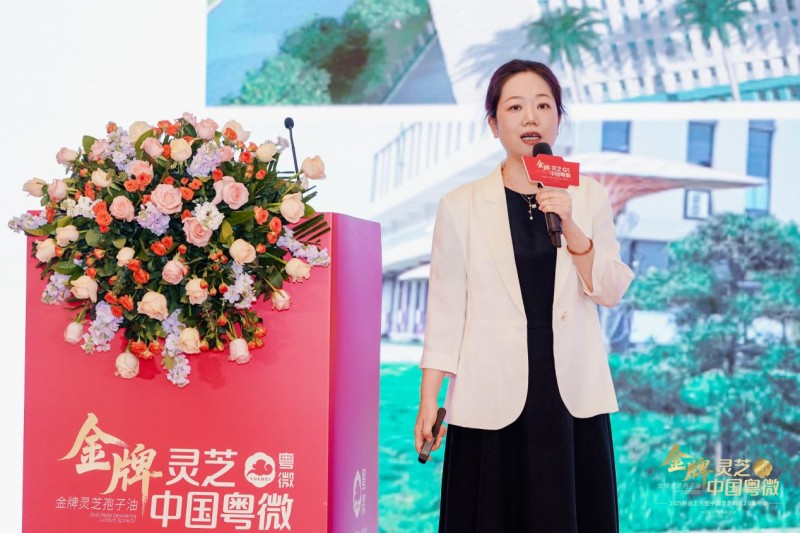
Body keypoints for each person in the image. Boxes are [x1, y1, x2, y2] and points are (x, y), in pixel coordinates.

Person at [413, 59, 634, 532]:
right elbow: (446, 309)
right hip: (490, 390)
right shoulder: (461, 204)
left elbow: (611, 290)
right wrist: (429, 398)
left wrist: (572, 226)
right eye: (515, 107)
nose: (531, 117)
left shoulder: (588, 195)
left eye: (543, 106)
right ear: (494, 124)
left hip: (570, 395)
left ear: (558, 118)